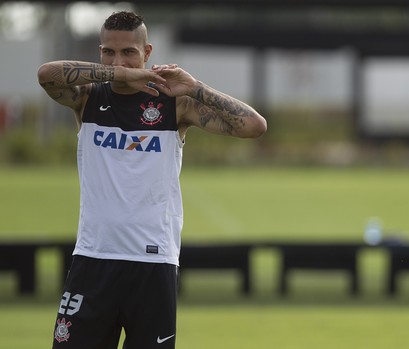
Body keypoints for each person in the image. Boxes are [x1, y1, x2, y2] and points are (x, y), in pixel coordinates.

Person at [37, 11, 266, 349]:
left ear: (147, 53)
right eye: (109, 52)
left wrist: (197, 88)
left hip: (153, 263)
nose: (119, 60)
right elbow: (47, 74)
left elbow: (254, 126)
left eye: (129, 52)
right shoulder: (87, 98)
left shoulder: (175, 105)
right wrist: (121, 74)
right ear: (100, 53)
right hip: (93, 258)